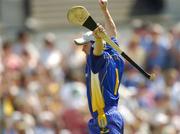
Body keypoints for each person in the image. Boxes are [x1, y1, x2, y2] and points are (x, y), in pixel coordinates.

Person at [74, 0, 124, 133]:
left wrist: (97, 40)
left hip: (104, 118)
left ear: (93, 45)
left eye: (85, 45)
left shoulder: (98, 59)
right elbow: (112, 33)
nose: (83, 49)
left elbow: (97, 53)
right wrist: (105, 11)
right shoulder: (114, 53)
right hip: (107, 117)